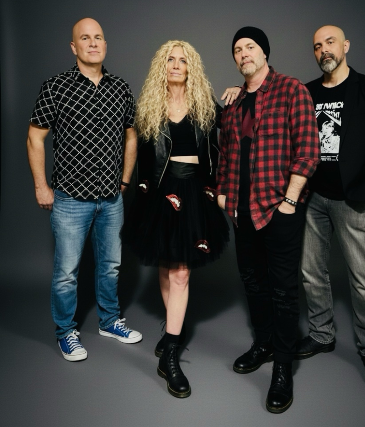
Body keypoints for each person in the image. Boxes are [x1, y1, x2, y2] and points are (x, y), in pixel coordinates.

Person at [217, 27, 320, 413]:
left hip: (279, 208)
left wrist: (290, 200)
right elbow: (225, 152)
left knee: (282, 290)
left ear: (264, 53)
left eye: (250, 47)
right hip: (241, 211)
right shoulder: (234, 102)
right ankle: (263, 344)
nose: (243, 53)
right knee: (253, 282)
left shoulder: (292, 90)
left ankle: (282, 366)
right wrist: (223, 193)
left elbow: (308, 150)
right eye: (237, 49)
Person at [26, 18, 142, 362]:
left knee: (110, 266)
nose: (93, 43)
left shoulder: (120, 88)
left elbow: (131, 136)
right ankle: (66, 332)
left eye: (98, 37)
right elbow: (35, 137)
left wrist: (124, 180)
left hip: (111, 199)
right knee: (66, 274)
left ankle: (109, 321)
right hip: (70, 200)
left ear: (105, 45)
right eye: (85, 38)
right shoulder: (56, 86)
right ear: (74, 47)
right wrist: (41, 186)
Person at [296, 25, 365, 389]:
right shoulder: (307, 92)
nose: (323, 50)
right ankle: (321, 334)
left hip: (353, 201)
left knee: (362, 279)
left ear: (345, 46)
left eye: (330, 42)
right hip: (313, 199)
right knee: (311, 272)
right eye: (317, 46)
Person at [130, 40, 232, 398]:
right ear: (163, 66)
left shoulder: (205, 105)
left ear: (191, 68)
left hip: (194, 192)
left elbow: (237, 123)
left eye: (183, 60)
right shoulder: (149, 106)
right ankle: (174, 329)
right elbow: (139, 151)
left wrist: (239, 92)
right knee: (166, 265)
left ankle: (170, 352)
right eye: (170, 59)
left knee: (181, 272)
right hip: (160, 191)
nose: (176, 64)